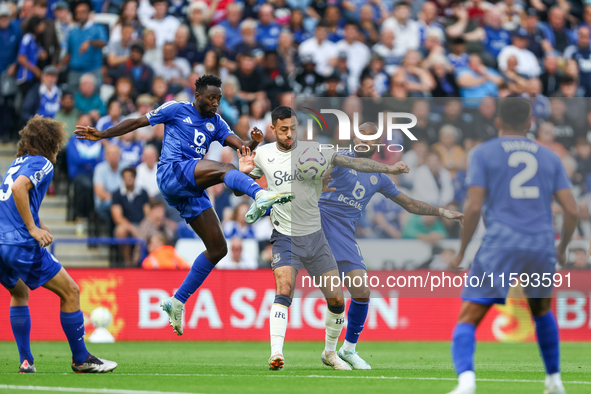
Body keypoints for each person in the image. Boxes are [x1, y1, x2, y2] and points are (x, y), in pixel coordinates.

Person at [74, 74, 295, 336]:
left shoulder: (217, 122)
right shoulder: (176, 109)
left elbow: (242, 147)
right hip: (172, 172)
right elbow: (137, 122)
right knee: (224, 168)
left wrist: (255, 141)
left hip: (191, 187)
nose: (215, 103)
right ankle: (259, 195)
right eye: (211, 98)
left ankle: (177, 300)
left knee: (218, 249)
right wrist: (102, 135)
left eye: (219, 99)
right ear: (198, 95)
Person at [247, 106, 410, 371]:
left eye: (293, 128)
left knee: (338, 299)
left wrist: (388, 169)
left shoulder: (316, 152)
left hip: (319, 235)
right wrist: (247, 177)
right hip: (289, 231)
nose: (289, 133)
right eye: (284, 129)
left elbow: (355, 164)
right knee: (285, 289)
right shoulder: (263, 153)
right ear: (274, 129)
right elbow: (244, 180)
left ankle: (334, 353)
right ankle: (276, 353)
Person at [447, 98, 577, 394]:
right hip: (542, 244)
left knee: (469, 316)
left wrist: (461, 250)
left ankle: (466, 382)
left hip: (501, 243)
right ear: (530, 123)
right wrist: (563, 248)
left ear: (497, 122)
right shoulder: (550, 156)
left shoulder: (483, 153)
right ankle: (554, 381)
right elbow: (571, 210)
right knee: (542, 311)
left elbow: (474, 207)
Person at [318, 122, 462, 369]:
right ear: (354, 136)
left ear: (377, 144)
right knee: (297, 287)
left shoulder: (379, 178)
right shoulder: (339, 158)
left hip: (344, 236)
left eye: (370, 137)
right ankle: (281, 349)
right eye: (360, 134)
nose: (364, 139)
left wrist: (442, 212)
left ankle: (348, 350)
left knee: (362, 291)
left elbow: (409, 203)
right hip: (317, 227)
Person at [0, 116, 117, 373]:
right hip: (18, 242)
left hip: (1, 241)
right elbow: (20, 189)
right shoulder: (42, 162)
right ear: (52, 141)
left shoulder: (16, 163)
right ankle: (81, 359)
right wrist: (32, 228)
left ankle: (26, 360)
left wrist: (39, 220)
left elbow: (14, 195)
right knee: (71, 292)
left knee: (19, 293)